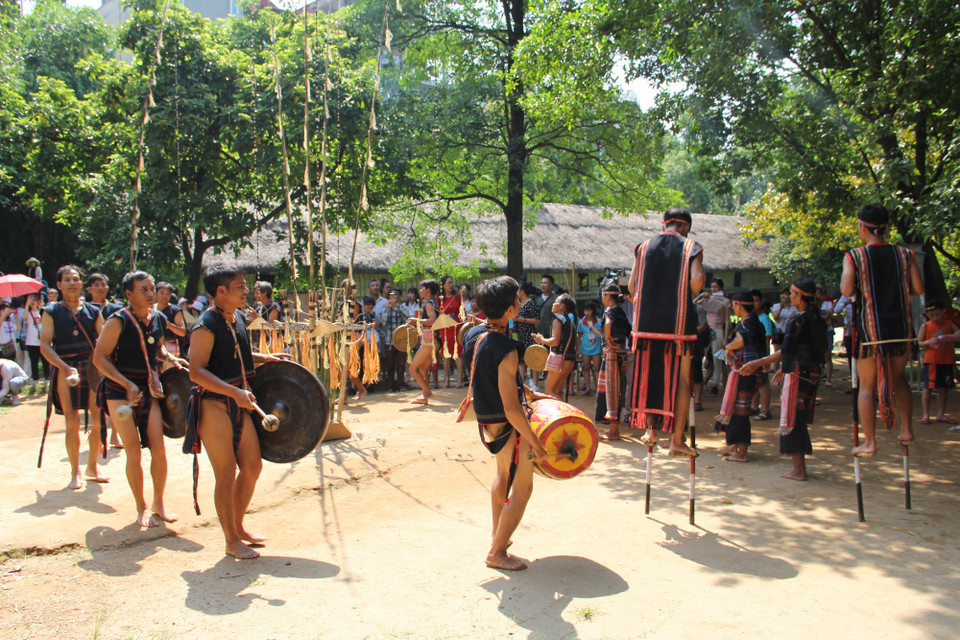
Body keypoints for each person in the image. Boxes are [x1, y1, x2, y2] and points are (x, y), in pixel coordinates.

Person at [185, 266, 289, 559]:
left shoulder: (238, 318)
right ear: (221, 292)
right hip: (213, 404)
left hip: (239, 400)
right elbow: (196, 372)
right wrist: (233, 392)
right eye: (240, 287)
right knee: (226, 472)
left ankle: (238, 526)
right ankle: (231, 540)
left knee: (253, 466)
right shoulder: (205, 325)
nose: (246, 291)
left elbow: (239, 357)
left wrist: (267, 357)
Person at [462, 276, 549, 571]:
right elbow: (512, 409)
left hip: (486, 421)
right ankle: (497, 553)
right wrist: (536, 443)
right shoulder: (506, 349)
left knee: (502, 476)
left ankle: (498, 537)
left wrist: (523, 389)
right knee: (522, 489)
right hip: (507, 424)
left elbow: (486, 375)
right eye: (517, 302)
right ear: (512, 309)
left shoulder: (473, 334)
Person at [93, 271, 188, 527]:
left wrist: (170, 358)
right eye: (143, 289)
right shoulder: (117, 321)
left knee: (159, 448)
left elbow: (155, 349)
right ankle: (141, 507)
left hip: (148, 389)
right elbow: (99, 358)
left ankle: (158, 502)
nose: (150, 293)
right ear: (128, 294)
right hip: (118, 390)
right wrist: (126, 384)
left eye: (152, 288)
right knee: (133, 450)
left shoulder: (157, 317)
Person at [841, 203, 924, 458]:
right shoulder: (905, 255)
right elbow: (918, 289)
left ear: (862, 226)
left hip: (871, 331)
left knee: (867, 386)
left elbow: (846, 290)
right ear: (886, 228)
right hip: (900, 329)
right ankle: (907, 430)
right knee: (898, 379)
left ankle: (870, 442)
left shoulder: (855, 256)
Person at [628, 207, 705, 457]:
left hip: (645, 323)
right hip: (678, 323)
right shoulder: (691, 247)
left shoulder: (644, 247)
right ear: (686, 227)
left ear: (664, 225)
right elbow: (697, 281)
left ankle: (651, 431)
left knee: (649, 375)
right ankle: (677, 440)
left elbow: (632, 286)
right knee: (682, 380)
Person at [741, 279, 827, 480]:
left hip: (799, 372)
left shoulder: (798, 321)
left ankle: (798, 469)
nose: (791, 296)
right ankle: (799, 468)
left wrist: (764, 364)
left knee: (793, 420)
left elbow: (788, 350)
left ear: (801, 296)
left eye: (794, 293)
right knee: (799, 420)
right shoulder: (817, 320)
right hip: (811, 372)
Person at [39, 265, 108, 489]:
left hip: (91, 367)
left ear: (81, 284)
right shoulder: (50, 311)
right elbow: (45, 345)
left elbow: (105, 340)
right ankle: (74, 471)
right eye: (67, 279)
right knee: (71, 420)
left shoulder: (93, 310)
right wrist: (64, 367)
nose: (72, 283)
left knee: (98, 422)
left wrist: (104, 365)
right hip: (65, 367)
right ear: (58, 285)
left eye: (76, 279)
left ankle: (92, 466)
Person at [714, 291, 766, 462]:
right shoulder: (754, 322)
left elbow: (741, 340)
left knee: (740, 412)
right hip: (749, 371)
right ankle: (734, 444)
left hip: (746, 371)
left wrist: (728, 347)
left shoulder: (747, 325)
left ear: (738, 305)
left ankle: (742, 451)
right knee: (736, 410)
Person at [595, 284, 631, 441]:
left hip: (612, 355)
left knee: (612, 391)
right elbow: (630, 331)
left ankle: (614, 429)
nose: (602, 299)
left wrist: (608, 341)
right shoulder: (621, 312)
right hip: (620, 354)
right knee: (616, 389)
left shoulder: (610, 311)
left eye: (603, 295)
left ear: (608, 296)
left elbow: (608, 324)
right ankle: (613, 427)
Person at [917, 301, 960, 427]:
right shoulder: (925, 326)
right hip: (931, 361)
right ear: (928, 315)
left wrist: (951, 336)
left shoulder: (948, 323)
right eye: (932, 315)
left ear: (943, 313)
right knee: (928, 388)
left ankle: (940, 414)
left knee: (943, 388)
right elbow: (918, 343)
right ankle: (926, 414)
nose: (935, 317)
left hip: (946, 360)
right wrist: (928, 342)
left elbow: (958, 333)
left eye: (938, 314)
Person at [532, 294, 577, 399]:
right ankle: (564, 412)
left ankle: (564, 414)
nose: (553, 304)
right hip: (569, 359)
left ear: (562, 306)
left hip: (559, 359)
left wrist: (541, 340)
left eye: (556, 301)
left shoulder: (557, 320)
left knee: (549, 392)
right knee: (557, 390)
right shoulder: (568, 320)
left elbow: (555, 341)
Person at [406, 279, 440, 405]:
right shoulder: (432, 303)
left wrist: (416, 321)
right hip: (431, 339)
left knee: (412, 369)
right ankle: (425, 395)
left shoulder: (428, 304)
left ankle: (427, 392)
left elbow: (432, 321)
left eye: (422, 288)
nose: (420, 290)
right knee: (423, 370)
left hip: (428, 340)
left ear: (428, 289)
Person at [700, 278, 731, 397]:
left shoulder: (725, 301)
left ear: (721, 288)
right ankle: (698, 381)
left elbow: (728, 321)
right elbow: (694, 303)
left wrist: (725, 337)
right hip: (706, 330)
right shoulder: (708, 299)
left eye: (716, 287)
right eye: (712, 287)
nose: (713, 289)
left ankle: (715, 385)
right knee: (700, 354)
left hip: (718, 330)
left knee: (717, 358)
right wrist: (702, 296)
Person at [750, 289, 775, 421]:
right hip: (753, 356)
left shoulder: (764, 318)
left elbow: (767, 340)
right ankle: (754, 406)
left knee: (763, 383)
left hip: (761, 355)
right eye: (752, 301)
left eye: (757, 301)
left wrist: (765, 360)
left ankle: (765, 409)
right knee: (755, 382)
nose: (754, 303)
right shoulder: (752, 317)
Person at [437, 275, 464, 387]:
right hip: (446, 326)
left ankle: (460, 379)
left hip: (457, 326)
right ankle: (446, 379)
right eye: (448, 283)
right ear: (443, 285)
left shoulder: (458, 296)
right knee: (446, 354)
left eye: (451, 283)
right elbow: (439, 313)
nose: (450, 285)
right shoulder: (439, 298)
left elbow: (462, 311)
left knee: (458, 353)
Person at [379, 288, 408, 391]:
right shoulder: (385, 308)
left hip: (401, 340)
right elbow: (384, 323)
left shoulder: (402, 307)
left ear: (399, 297)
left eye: (395, 295)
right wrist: (387, 310)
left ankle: (401, 384)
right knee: (390, 365)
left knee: (401, 364)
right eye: (391, 295)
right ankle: (390, 386)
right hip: (389, 340)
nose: (393, 297)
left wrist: (396, 307)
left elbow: (407, 318)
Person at [514, 281, 541, 390]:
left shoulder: (531, 303)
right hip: (521, 335)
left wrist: (524, 320)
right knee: (521, 361)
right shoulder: (520, 304)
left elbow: (537, 320)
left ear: (522, 292)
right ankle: (521, 384)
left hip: (530, 335)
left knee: (532, 359)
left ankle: (535, 384)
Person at [155, 282, 186, 363]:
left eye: (167, 293)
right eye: (162, 293)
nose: (164, 296)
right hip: (152, 347)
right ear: (156, 293)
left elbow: (183, 332)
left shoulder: (175, 310)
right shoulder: (151, 309)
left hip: (170, 348)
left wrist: (169, 325)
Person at [21, 294, 48, 388]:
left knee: (45, 361)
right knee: (34, 361)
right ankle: (35, 380)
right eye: (30, 299)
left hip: (43, 341)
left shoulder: (43, 311)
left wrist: (41, 308)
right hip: (31, 342)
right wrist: (27, 304)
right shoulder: (28, 313)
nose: (32, 301)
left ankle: (47, 379)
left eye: (34, 300)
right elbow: (24, 318)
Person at [577, 301, 602, 395]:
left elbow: (600, 336)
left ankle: (599, 388)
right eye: (585, 310)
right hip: (585, 349)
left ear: (593, 311)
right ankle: (588, 387)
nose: (587, 312)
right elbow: (579, 336)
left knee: (597, 368)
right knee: (586, 367)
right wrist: (578, 349)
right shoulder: (581, 322)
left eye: (589, 310)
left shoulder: (598, 322)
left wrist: (592, 327)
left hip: (596, 348)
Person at [535, 274, 558, 340]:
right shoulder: (536, 299)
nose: (543, 285)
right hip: (537, 331)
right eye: (541, 283)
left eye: (545, 283)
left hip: (550, 331)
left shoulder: (556, 299)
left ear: (551, 285)